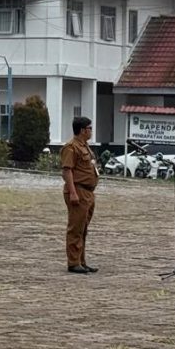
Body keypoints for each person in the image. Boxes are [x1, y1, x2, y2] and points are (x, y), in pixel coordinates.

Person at [61, 116, 99, 274]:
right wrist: (73, 193)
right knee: (76, 228)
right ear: (82, 130)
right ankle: (73, 262)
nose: (91, 131)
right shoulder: (71, 147)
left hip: (88, 192)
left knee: (83, 228)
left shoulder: (85, 146)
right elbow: (67, 171)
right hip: (78, 190)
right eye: (90, 128)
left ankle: (81, 261)